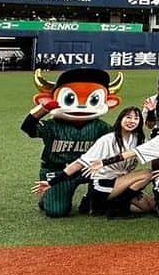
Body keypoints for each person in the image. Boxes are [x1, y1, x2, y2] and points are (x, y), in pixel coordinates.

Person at [23, 68, 119, 217]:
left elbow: (118, 142)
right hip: (57, 170)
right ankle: (48, 197)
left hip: (88, 170)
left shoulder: (100, 126)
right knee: (56, 211)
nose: (81, 106)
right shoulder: (52, 125)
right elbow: (28, 128)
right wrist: (43, 109)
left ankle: (91, 199)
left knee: (112, 174)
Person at [32, 107, 153, 219]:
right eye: (128, 117)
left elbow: (157, 151)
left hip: (121, 183)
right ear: (120, 119)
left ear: (139, 122)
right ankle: (115, 206)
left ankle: (94, 205)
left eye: (136, 118)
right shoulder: (107, 139)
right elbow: (79, 163)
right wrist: (52, 182)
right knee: (147, 174)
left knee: (148, 206)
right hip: (103, 184)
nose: (132, 121)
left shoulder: (139, 140)